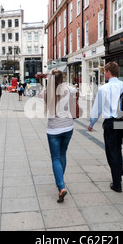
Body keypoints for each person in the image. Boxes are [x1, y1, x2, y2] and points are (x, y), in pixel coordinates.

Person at [88, 62, 123, 193]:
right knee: (118, 147)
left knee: (111, 152)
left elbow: (97, 108)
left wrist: (91, 123)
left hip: (110, 122)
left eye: (104, 72)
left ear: (109, 72)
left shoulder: (103, 89)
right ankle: (119, 175)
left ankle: (117, 184)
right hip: (122, 121)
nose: (104, 74)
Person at [45, 69, 77, 203]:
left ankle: (61, 186)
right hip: (68, 126)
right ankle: (60, 181)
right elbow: (76, 91)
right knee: (63, 154)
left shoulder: (47, 92)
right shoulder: (69, 89)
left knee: (56, 158)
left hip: (54, 129)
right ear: (62, 79)